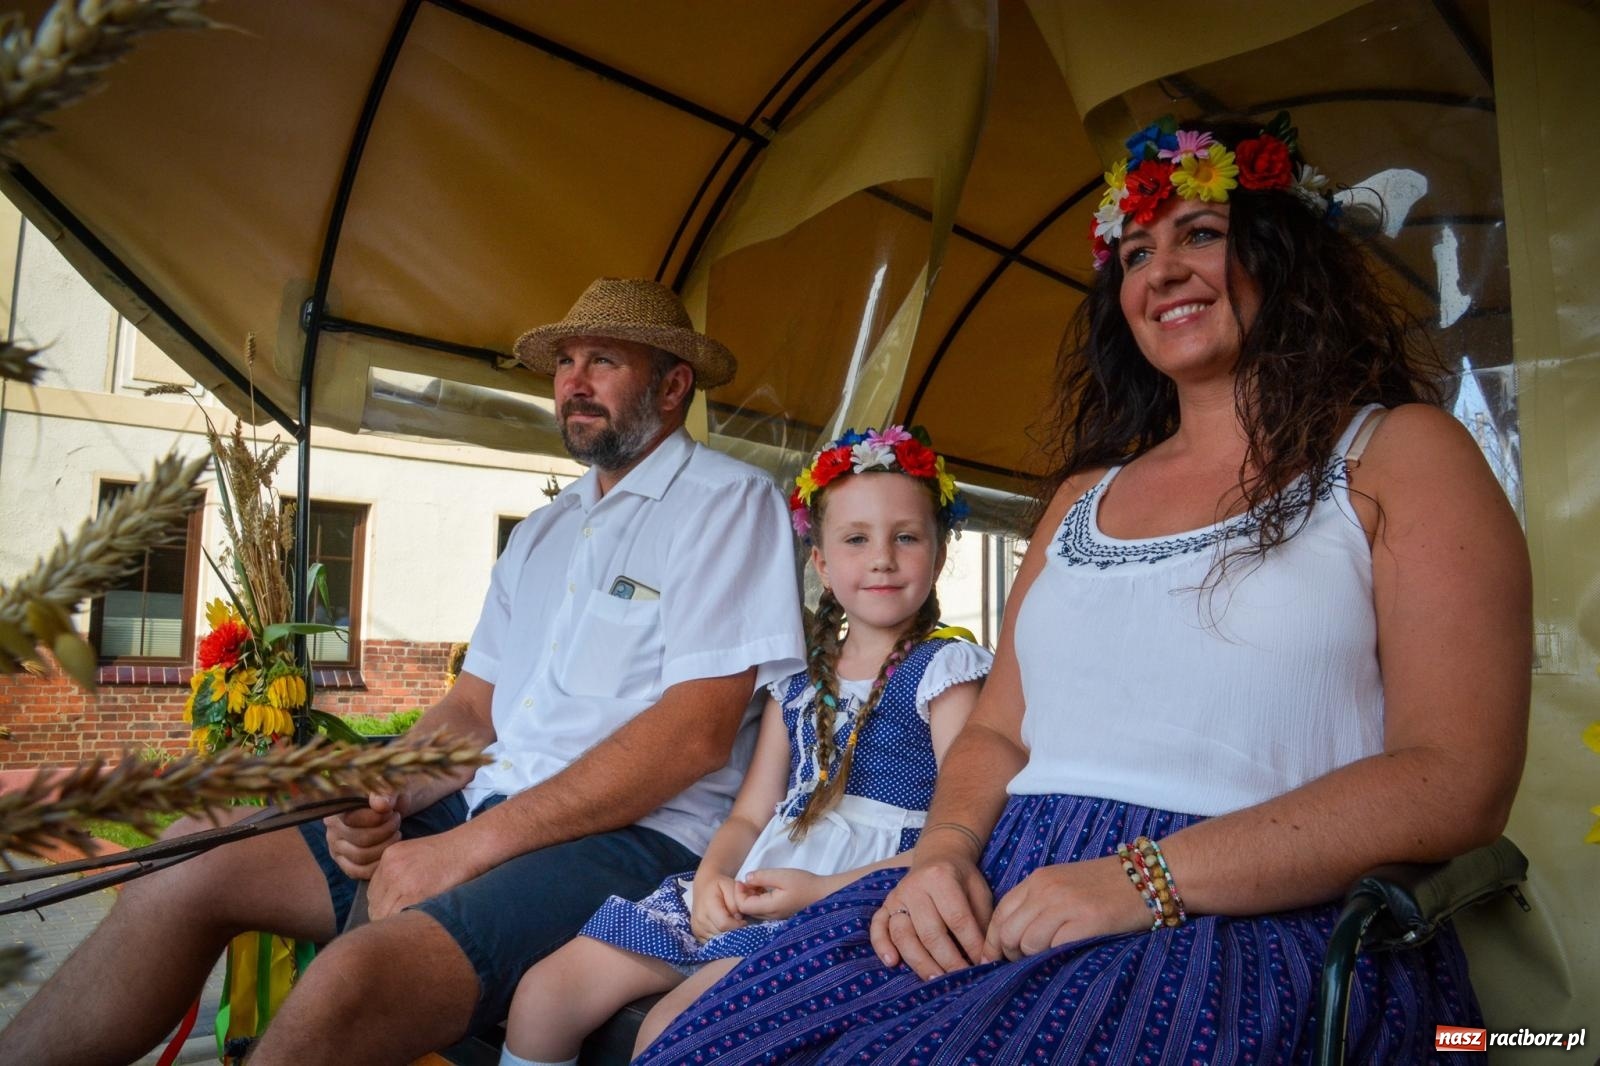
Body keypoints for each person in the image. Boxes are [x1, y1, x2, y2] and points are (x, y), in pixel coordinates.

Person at [633, 113, 1532, 1064]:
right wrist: (940, 853)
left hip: (1240, 912)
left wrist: (1144, 881)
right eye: (1136, 251)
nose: (1163, 272)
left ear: (1285, 253)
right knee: (695, 1037)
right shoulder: (1080, 499)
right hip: (1005, 875)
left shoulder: (1398, 454)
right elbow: (997, 731)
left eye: (1201, 235)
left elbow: (1454, 779)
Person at [0, 278, 806, 1066]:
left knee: (353, 977)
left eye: (604, 361)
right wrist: (381, 786)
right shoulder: (546, 530)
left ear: (672, 386)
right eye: (565, 363)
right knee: (188, 857)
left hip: (636, 840)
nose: (574, 383)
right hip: (490, 809)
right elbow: (474, 707)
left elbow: (693, 736)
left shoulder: (728, 503)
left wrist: (464, 849)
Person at [498, 425, 993, 1066]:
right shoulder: (794, 684)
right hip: (755, 882)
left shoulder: (946, 674)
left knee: (671, 1031)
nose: (882, 559)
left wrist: (819, 891)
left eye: (906, 537)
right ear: (819, 561)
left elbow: (958, 835)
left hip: (860, 892)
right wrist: (711, 879)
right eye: (856, 539)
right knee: (545, 996)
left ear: (939, 553)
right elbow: (751, 814)